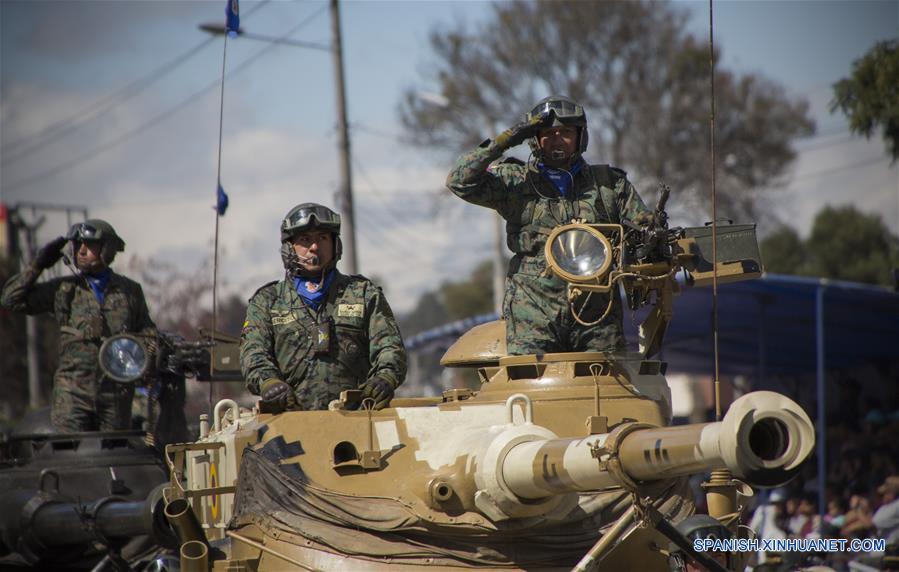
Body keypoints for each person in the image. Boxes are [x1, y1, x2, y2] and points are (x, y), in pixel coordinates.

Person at [446, 95, 652, 355]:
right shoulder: (515, 182)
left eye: (566, 132)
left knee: (604, 387)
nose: (557, 139)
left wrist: (649, 234)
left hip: (596, 314)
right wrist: (507, 139)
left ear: (580, 137)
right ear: (535, 139)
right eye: (548, 133)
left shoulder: (608, 185)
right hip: (533, 312)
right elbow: (459, 181)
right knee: (529, 388)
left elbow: (643, 229)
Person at [240, 203, 406, 412]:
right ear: (289, 247)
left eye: (322, 238)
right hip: (289, 423)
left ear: (336, 245)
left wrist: (385, 377)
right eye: (305, 240)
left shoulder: (363, 294)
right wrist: (269, 383)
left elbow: (389, 347)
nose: (314, 247)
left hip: (357, 419)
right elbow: (253, 355)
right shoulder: (267, 301)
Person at [1, 219, 157, 432]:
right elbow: (11, 300)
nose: (81, 251)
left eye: (89, 245)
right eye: (78, 245)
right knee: (69, 453)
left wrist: (141, 352)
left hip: (116, 394)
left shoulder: (130, 291)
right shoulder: (64, 289)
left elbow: (148, 333)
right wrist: (38, 265)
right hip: (73, 395)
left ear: (107, 249)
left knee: (114, 455)